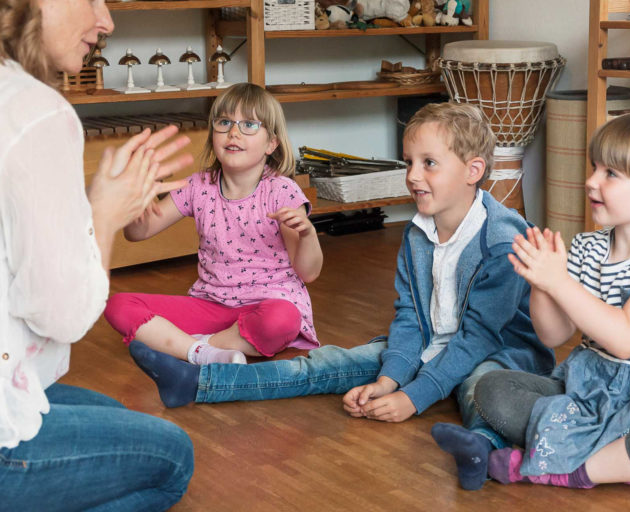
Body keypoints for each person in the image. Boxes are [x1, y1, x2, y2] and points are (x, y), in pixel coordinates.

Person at [127, 102, 555, 490]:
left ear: (473, 170)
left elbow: (478, 338)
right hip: (429, 345)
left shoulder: (500, 239)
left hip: (496, 353)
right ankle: (203, 381)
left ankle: (480, 445)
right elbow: (408, 317)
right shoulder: (417, 232)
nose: (412, 176)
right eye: (409, 162)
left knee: (481, 390)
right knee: (332, 363)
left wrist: (412, 397)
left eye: (429, 164)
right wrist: (388, 379)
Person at [435, 111, 630, 498]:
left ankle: (556, 470)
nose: (591, 180)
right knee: (492, 390)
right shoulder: (590, 247)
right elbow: (554, 334)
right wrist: (541, 284)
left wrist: (559, 281)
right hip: (589, 389)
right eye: (594, 168)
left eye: (610, 174)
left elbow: (625, 338)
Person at [0, 0, 195, 509]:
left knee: (116, 415)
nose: (106, 21)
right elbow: (61, 315)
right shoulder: (34, 108)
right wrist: (102, 216)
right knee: (173, 459)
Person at [104, 83, 322, 366]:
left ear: (272, 143)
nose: (234, 132)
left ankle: (197, 347)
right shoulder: (198, 186)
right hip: (210, 305)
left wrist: (308, 234)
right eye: (224, 122)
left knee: (282, 320)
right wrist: (138, 201)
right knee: (118, 306)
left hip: (267, 305)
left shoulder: (282, 191)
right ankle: (208, 351)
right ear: (213, 135)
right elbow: (137, 232)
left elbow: (309, 271)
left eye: (249, 124)